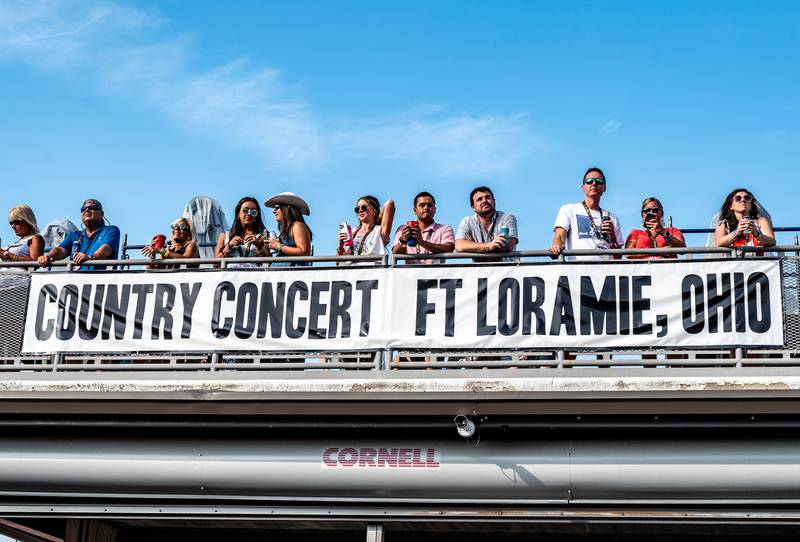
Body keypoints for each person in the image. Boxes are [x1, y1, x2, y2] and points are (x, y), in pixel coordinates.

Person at [549, 167, 622, 260]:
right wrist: (556, 246)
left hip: (606, 271)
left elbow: (618, 256)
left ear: (604, 188)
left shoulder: (612, 217)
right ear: (583, 187)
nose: (594, 183)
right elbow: (559, 235)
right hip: (579, 271)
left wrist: (613, 237)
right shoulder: (569, 209)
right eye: (589, 181)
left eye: (599, 181)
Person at [37, 198, 120, 270]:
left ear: (101, 214)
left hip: (100, 283)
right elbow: (61, 250)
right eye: (83, 209)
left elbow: (106, 249)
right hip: (76, 282)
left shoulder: (111, 230)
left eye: (92, 207)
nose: (87, 210)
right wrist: (48, 256)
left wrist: (90, 257)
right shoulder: (75, 235)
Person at [454, 186, 518, 261]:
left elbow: (507, 246)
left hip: (506, 270)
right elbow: (459, 246)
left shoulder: (507, 218)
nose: (484, 201)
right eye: (479, 199)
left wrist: (472, 246)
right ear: (473, 207)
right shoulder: (467, 221)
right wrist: (489, 246)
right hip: (480, 271)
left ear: (494, 201)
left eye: (487, 197)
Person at [392, 191, 455, 264]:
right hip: (410, 274)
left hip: (437, 274)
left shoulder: (445, 228)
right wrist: (403, 240)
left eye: (430, 205)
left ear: (435, 210)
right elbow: (395, 252)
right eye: (422, 205)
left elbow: (449, 248)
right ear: (415, 210)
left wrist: (422, 242)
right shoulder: (403, 229)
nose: (426, 208)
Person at [715, 188, 776, 253]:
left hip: (758, 262)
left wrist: (756, 233)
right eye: (738, 198)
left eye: (747, 198)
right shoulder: (724, 224)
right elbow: (718, 243)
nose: (743, 200)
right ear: (731, 206)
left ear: (751, 205)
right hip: (733, 262)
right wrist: (737, 232)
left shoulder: (761, 221)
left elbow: (772, 241)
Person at [337, 196, 395, 263]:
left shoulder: (379, 231)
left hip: (372, 272)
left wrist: (377, 219)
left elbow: (390, 203)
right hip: (350, 272)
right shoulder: (351, 232)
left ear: (374, 210)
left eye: (364, 207)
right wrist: (340, 246)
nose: (360, 210)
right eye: (357, 209)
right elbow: (338, 263)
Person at [214, 197, 268, 267]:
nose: (249, 214)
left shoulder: (261, 237)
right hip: (230, 276)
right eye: (245, 210)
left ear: (256, 217)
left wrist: (258, 245)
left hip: (253, 276)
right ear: (238, 214)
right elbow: (215, 264)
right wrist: (229, 246)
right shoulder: (224, 236)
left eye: (253, 212)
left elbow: (268, 263)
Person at [263, 192, 313, 266]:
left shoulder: (297, 225)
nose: (274, 211)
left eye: (277, 207)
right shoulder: (289, 228)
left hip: (293, 275)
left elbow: (304, 252)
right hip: (284, 275)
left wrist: (278, 246)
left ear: (287, 208)